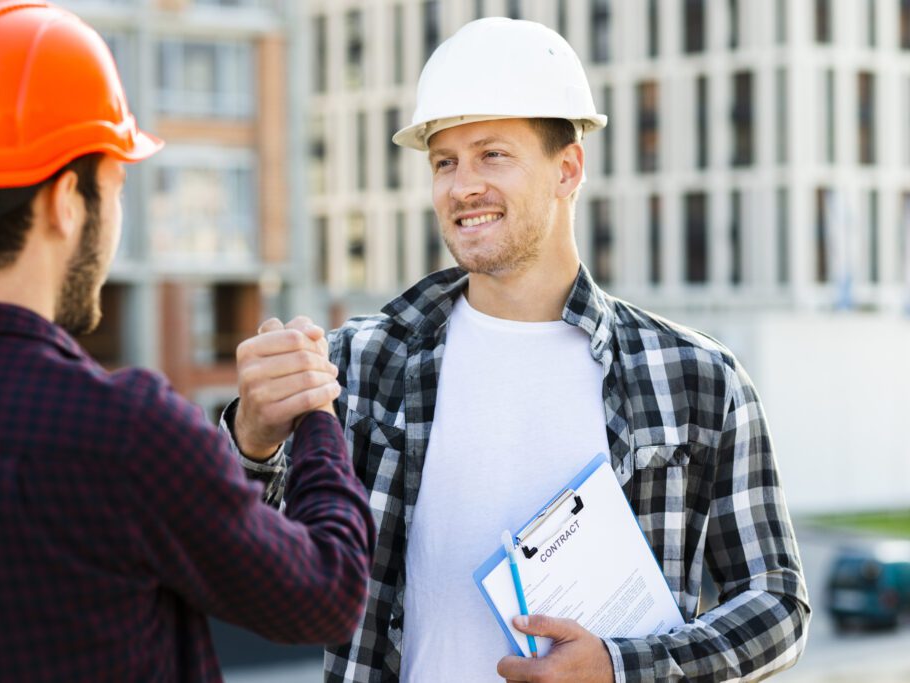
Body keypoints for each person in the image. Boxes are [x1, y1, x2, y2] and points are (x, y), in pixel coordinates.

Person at [227, 17, 810, 683]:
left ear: (568, 169)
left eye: (492, 154)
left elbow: (778, 607)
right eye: (444, 161)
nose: (462, 185)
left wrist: (622, 669)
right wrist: (254, 440)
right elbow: (247, 568)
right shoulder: (360, 366)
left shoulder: (697, 379)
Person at [0, 1, 373, 681]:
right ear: (64, 201)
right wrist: (316, 408)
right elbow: (329, 592)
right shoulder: (123, 433)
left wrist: (251, 445)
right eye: (115, 187)